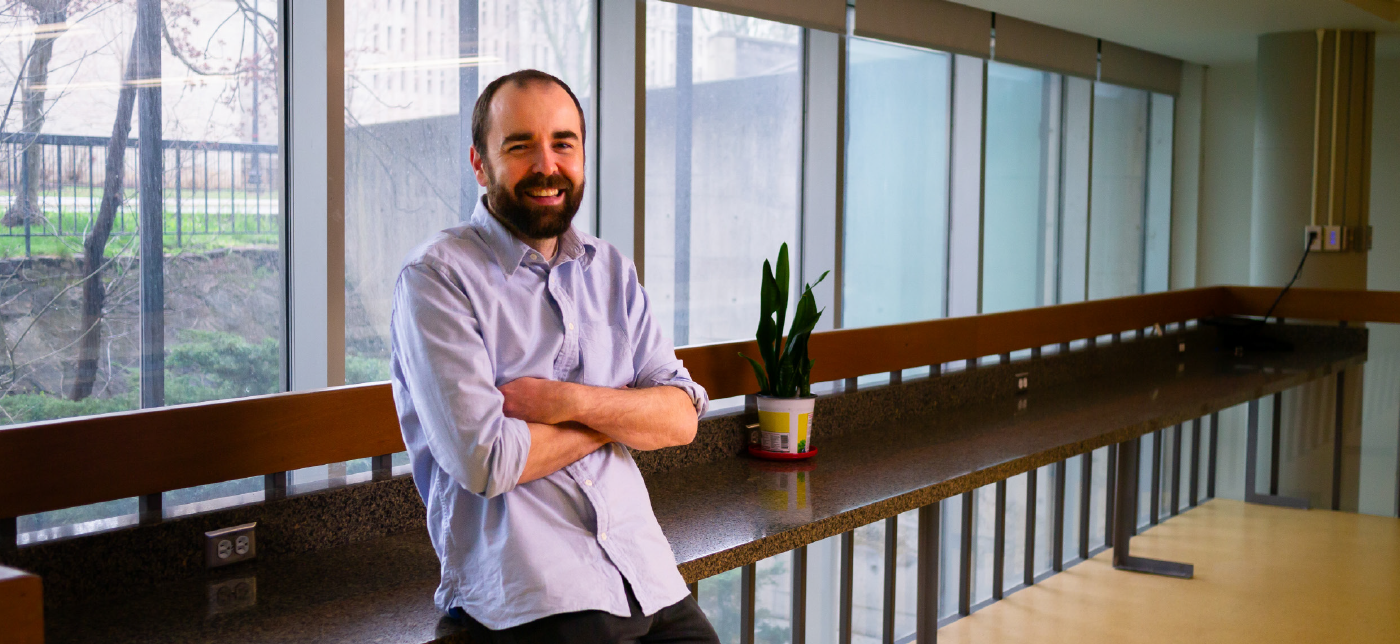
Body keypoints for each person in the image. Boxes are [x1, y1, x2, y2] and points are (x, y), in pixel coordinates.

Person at [389, 69, 720, 643]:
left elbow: (681, 418)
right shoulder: (437, 278)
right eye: (520, 146)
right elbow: (488, 460)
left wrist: (562, 401)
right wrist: (619, 417)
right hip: (533, 594)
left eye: (563, 143)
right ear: (479, 163)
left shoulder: (610, 269)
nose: (547, 165)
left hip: (647, 577)